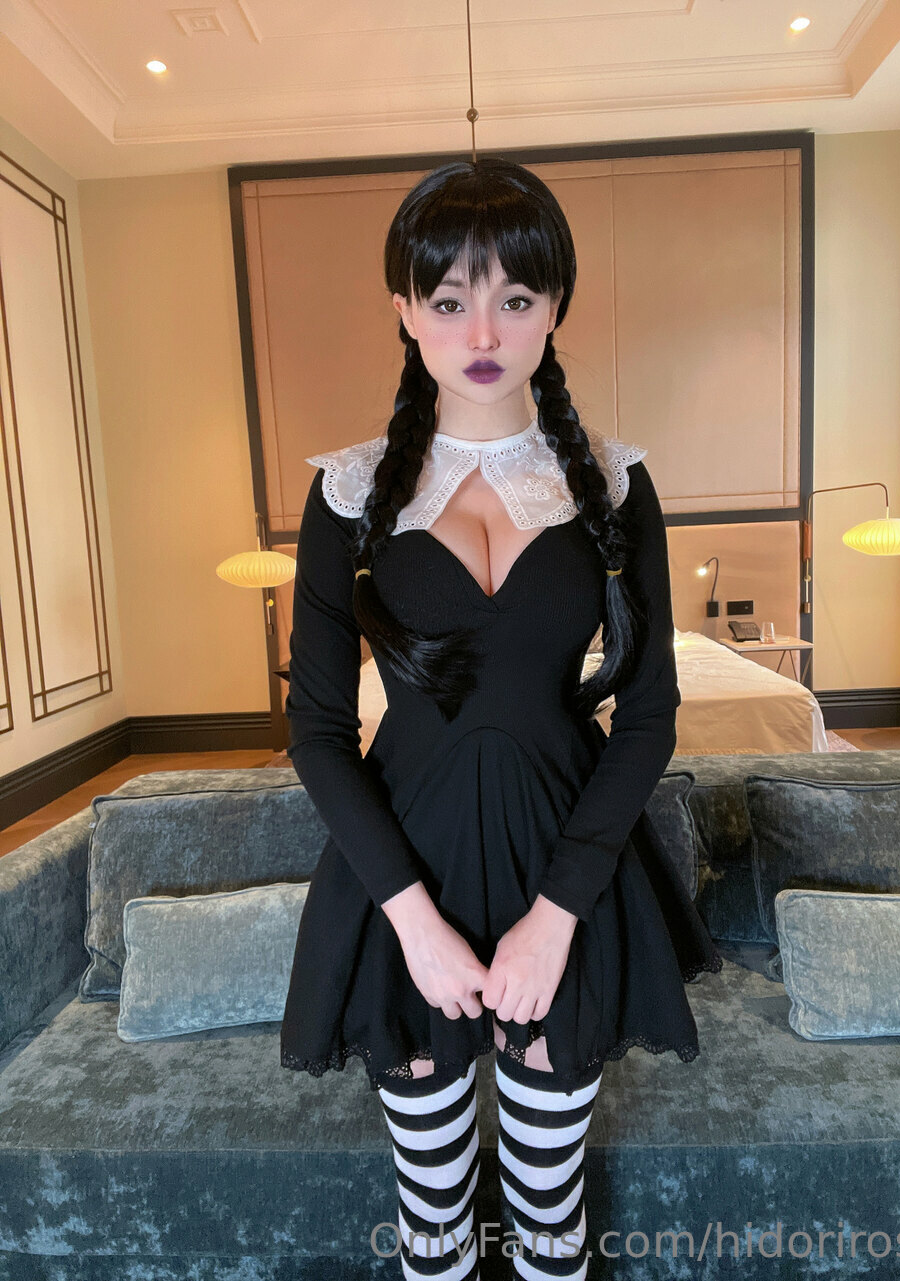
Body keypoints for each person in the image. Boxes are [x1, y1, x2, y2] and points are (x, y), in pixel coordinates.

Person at [279, 157, 723, 1281]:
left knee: (548, 1211)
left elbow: (649, 715)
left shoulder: (613, 484)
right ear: (404, 311)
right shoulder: (346, 493)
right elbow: (318, 733)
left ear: (554, 305)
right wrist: (416, 925)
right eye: (448, 300)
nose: (483, 331)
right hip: (404, 886)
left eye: (515, 297)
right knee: (433, 1223)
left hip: (563, 881)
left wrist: (555, 917)